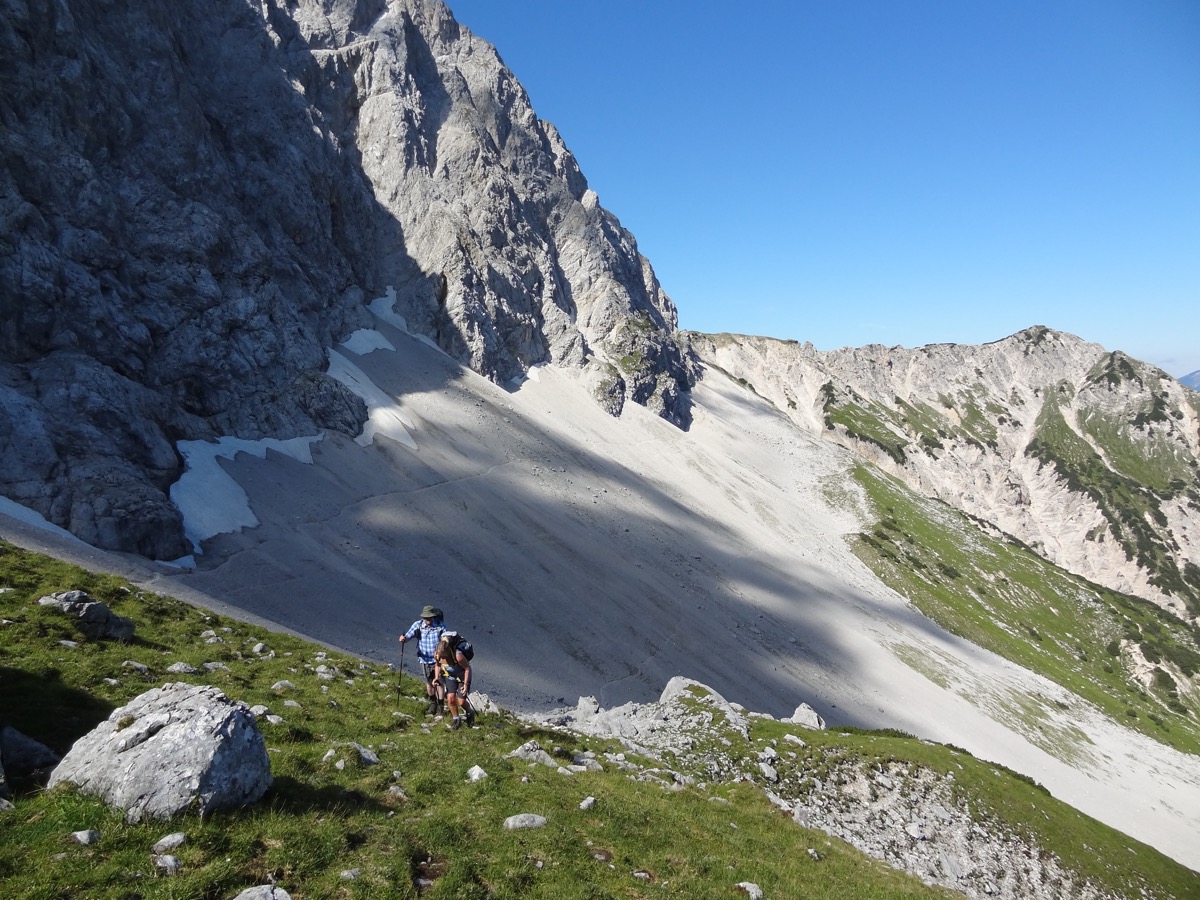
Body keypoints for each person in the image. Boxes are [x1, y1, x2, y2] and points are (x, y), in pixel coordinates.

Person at [398, 605, 446, 715]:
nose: (428, 620)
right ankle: (433, 704)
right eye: (426, 617)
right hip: (424, 659)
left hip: (438, 660)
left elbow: (445, 641)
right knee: (429, 682)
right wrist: (403, 639)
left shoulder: (440, 626)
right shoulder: (418, 625)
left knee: (439, 682)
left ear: (433, 617)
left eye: (429, 617)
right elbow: (409, 636)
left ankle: (440, 706)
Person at [434, 632, 472, 730]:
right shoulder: (437, 654)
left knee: (461, 701)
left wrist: (466, 685)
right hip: (450, 677)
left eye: (444, 656)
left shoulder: (458, 656)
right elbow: (437, 665)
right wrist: (436, 678)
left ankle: (469, 713)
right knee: (450, 699)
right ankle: (456, 720)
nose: (442, 659)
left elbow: (467, 668)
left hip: (462, 677)